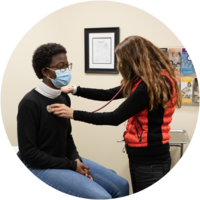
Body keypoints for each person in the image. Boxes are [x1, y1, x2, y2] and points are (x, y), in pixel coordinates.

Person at [48, 36, 182, 193]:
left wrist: (73, 113)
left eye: (122, 62)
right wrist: (75, 90)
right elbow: (108, 94)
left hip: (149, 160)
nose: (120, 66)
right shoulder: (148, 78)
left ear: (134, 60)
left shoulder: (148, 86)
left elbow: (114, 118)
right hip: (146, 155)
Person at [17, 43, 129, 199]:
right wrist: (72, 165)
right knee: (103, 197)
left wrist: (75, 158)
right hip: (39, 167)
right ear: (45, 72)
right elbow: (28, 153)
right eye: (60, 66)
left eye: (67, 65)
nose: (66, 71)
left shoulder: (63, 97)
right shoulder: (30, 103)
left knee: (122, 185)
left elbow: (66, 136)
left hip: (64, 160)